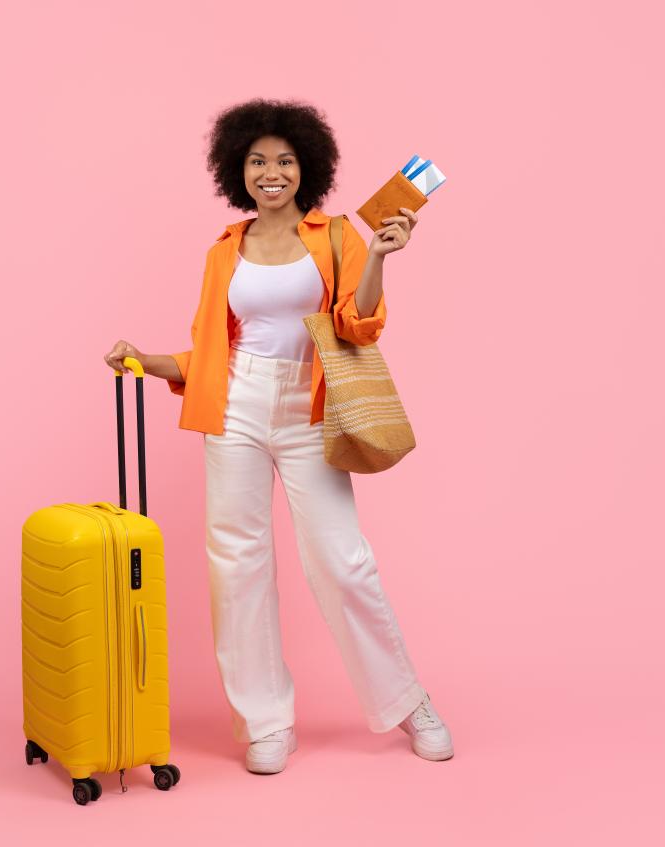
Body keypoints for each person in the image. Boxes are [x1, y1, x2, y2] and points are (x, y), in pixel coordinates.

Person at [104, 98, 451, 774]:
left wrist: (380, 254)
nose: (272, 171)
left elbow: (357, 323)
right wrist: (143, 359)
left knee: (342, 560)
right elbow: (209, 353)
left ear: (307, 168)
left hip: (308, 402)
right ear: (239, 170)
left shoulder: (339, 235)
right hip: (234, 404)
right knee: (237, 566)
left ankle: (411, 702)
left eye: (285, 160)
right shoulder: (223, 251)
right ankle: (265, 720)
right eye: (258, 160)